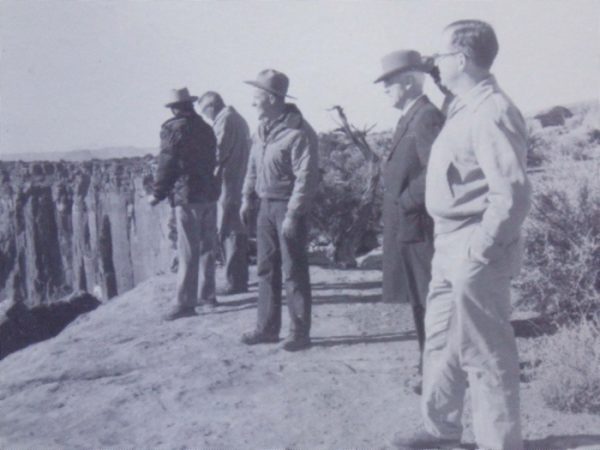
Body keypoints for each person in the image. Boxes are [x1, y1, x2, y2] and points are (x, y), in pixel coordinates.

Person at [392, 20, 531, 450]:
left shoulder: (492, 110)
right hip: (451, 243)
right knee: (440, 343)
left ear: (462, 59)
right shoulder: (463, 105)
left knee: (485, 355)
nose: (435, 63)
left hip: (475, 246)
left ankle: (500, 443)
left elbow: (511, 195)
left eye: (440, 56)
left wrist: (480, 250)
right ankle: (442, 431)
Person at [374, 50, 444, 387]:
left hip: (419, 225)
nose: (384, 88)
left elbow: (436, 169)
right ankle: (428, 363)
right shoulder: (410, 116)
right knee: (419, 298)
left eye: (388, 82)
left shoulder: (427, 116)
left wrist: (407, 200)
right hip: (408, 225)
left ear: (406, 81)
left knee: (429, 299)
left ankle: (437, 369)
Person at [239, 69, 319, 351]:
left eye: (256, 97)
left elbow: (306, 177)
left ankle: (299, 333)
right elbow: (252, 166)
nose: (252, 103)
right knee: (266, 268)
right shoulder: (261, 130)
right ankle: (267, 328)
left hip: (286, 207)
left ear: (272, 99)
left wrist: (293, 214)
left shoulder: (299, 132)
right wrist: (247, 197)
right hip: (264, 206)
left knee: (293, 270)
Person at [148, 87, 220, 320]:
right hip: (209, 193)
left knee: (188, 248)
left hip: (188, 196)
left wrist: (157, 194)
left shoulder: (172, 129)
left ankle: (185, 303)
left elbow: (167, 164)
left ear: (174, 108)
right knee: (208, 245)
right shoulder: (206, 128)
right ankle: (208, 296)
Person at [197, 91, 251, 295]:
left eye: (204, 111)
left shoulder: (225, 120)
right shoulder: (237, 118)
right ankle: (239, 278)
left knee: (229, 229)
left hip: (228, 181)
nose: (205, 116)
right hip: (238, 178)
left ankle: (235, 282)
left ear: (211, 106)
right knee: (235, 227)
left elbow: (217, 152)